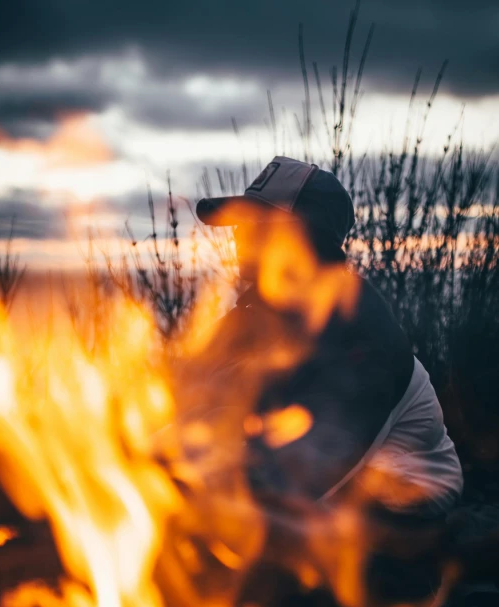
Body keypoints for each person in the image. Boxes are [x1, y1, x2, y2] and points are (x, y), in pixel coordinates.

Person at [195, 156, 463, 533]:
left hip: (399, 527)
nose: (239, 240)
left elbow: (300, 477)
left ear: (306, 242)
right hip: (322, 500)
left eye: (256, 227)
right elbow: (189, 396)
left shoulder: (363, 339)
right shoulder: (259, 315)